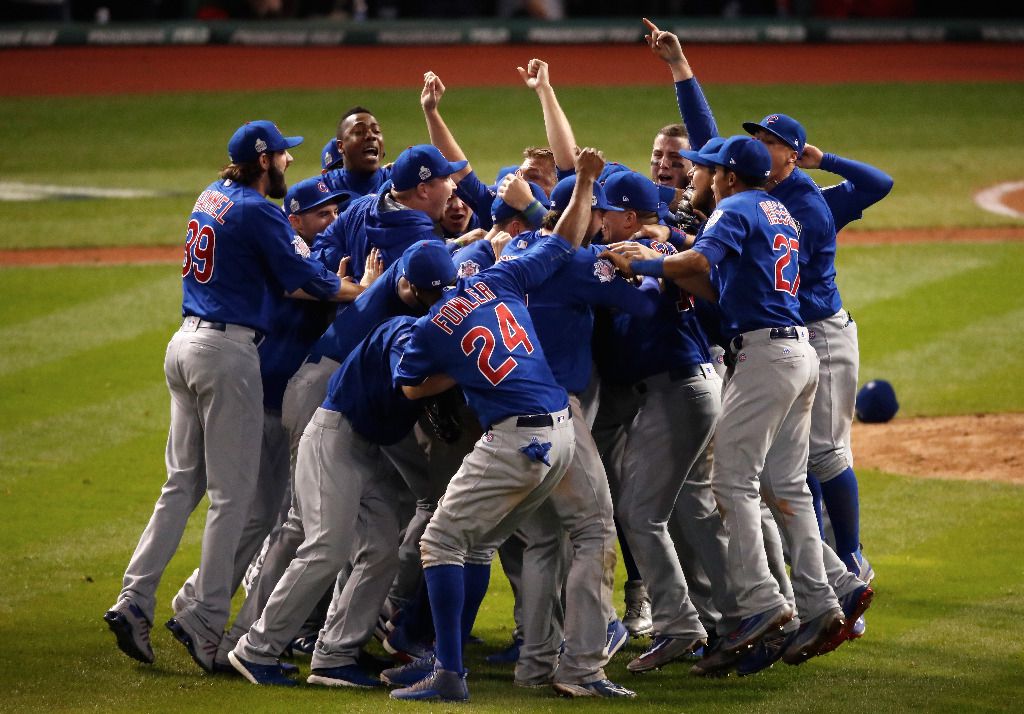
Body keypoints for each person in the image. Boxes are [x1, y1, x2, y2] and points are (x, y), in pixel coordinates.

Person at [605, 135, 871, 676]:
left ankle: (760, 603)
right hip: (798, 351)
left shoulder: (735, 206)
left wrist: (648, 265)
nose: (703, 176)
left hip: (764, 358)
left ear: (727, 176)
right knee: (786, 484)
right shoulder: (778, 210)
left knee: (733, 483)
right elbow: (720, 288)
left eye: (710, 169)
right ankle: (822, 601)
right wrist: (663, 259)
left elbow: (701, 258)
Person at [103, 120, 362, 671]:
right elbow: (309, 280)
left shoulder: (213, 195)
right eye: (283, 156)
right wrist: (364, 290)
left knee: (181, 485)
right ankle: (207, 620)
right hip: (226, 353)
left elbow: (276, 275)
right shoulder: (257, 209)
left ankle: (134, 597)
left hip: (183, 344)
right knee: (234, 497)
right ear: (264, 160)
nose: (290, 162)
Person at [385, 148, 606, 702]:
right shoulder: (500, 279)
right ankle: (515, 662)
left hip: (516, 437)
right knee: (482, 544)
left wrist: (458, 372)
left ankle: (450, 675)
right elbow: (564, 241)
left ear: (416, 288)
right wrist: (584, 184)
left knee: (439, 542)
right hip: (561, 434)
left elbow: (411, 386)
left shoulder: (430, 327)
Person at [228, 242, 460, 688]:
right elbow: (412, 385)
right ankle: (255, 649)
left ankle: (334, 655)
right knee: (326, 547)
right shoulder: (401, 331)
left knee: (380, 549)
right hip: (332, 438)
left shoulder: (419, 315)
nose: (439, 307)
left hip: (364, 448)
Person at [322, 106, 390, 198]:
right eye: (359, 132)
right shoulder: (321, 191)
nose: (371, 136)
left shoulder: (398, 180)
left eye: (376, 131)